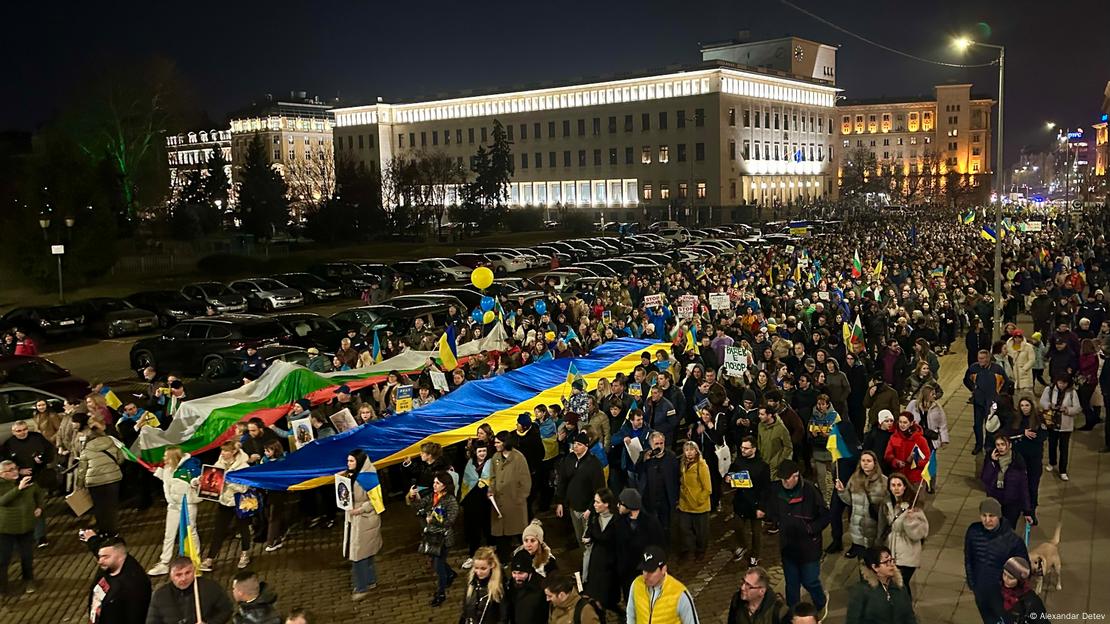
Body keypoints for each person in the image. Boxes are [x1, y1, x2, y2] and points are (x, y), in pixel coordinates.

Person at [762, 459, 829, 614]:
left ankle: (820, 602)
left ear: (796, 476)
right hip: (788, 546)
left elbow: (825, 516)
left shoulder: (810, 491)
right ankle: (794, 614)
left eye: (786, 479)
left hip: (809, 547)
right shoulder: (777, 490)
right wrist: (771, 518)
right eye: (782, 479)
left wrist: (811, 528)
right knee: (791, 584)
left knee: (810, 581)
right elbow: (772, 510)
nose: (784, 482)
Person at [964, 497, 1028, 623]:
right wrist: (973, 584)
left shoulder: (1013, 541)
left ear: (999, 516)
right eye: (984, 515)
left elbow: (1024, 572)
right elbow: (968, 558)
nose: (987, 520)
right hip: (981, 591)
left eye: (991, 516)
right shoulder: (973, 531)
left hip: (1002, 596)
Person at [407, 470, 459, 607]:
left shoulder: (451, 501)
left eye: (438, 483)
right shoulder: (432, 496)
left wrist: (433, 520)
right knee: (438, 561)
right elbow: (418, 506)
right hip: (432, 536)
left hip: (443, 538)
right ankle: (451, 574)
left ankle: (440, 593)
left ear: (445, 485)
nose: (434, 485)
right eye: (434, 482)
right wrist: (413, 497)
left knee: (438, 565)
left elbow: (450, 521)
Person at [147, 446, 201, 576]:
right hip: (173, 506)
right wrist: (157, 472)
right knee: (169, 534)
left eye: (166, 456)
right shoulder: (167, 469)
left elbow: (194, 480)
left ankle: (194, 561)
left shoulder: (189, 468)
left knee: (190, 532)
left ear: (173, 457)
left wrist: (196, 482)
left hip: (187, 504)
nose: (164, 458)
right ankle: (164, 563)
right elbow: (168, 481)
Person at [0, 420, 55, 545]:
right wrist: (19, 470)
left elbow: (49, 451)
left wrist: (42, 460)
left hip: (38, 477)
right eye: (19, 431)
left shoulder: (37, 437)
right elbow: (4, 463)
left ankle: (41, 536)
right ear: (13, 432)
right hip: (19, 481)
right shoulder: (8, 444)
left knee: (38, 505)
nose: (23, 433)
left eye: (25, 429)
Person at [201, 441, 253, 572]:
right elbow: (211, 479)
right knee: (218, 530)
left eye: (226, 451)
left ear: (234, 452)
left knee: (243, 529)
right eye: (222, 451)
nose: (223, 453)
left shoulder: (243, 466)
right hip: (224, 502)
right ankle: (210, 558)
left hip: (239, 502)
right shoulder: (218, 464)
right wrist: (199, 482)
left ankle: (245, 553)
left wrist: (227, 481)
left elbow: (243, 488)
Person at [342, 450, 383, 601]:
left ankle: (361, 587)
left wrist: (360, 509)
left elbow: (376, 501)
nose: (348, 464)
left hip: (365, 520)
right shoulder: (352, 474)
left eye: (352, 461)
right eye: (348, 461)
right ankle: (370, 581)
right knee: (366, 554)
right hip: (357, 519)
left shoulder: (368, 478)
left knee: (358, 556)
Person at [880, 473, 928, 598]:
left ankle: (907, 612)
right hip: (892, 552)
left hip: (908, 554)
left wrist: (910, 521)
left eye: (899, 485)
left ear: (905, 487)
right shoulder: (887, 504)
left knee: (900, 584)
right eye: (893, 485)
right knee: (897, 585)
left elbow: (920, 534)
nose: (896, 488)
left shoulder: (914, 507)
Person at [145, 556, 234, 624]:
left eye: (188, 573)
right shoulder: (160, 596)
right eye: (178, 575)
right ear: (171, 576)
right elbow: (152, 622)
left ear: (194, 571)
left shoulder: (210, 587)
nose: (184, 578)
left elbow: (226, 610)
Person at [554, 431, 605, 548]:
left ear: (586, 446)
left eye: (579, 444)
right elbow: (562, 481)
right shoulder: (569, 459)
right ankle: (584, 561)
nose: (575, 446)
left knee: (588, 540)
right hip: (573, 507)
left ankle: (589, 564)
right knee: (579, 537)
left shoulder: (594, 464)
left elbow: (599, 489)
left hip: (587, 509)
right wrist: (560, 502)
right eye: (575, 443)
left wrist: (591, 508)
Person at [75, 415, 124, 535]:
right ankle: (113, 530)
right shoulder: (111, 442)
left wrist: (79, 485)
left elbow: (82, 469)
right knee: (111, 506)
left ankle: (103, 530)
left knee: (99, 507)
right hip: (113, 478)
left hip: (95, 481)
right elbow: (121, 459)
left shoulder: (86, 449)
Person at [87, 535, 152, 624]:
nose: (100, 561)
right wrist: (92, 539)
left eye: (105, 557)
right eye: (100, 556)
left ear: (120, 557)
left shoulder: (134, 584)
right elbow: (103, 548)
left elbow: (136, 617)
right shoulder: (108, 566)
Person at [834, 450, 887, 559]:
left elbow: (887, 507)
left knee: (874, 560)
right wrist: (841, 491)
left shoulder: (883, 481)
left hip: (874, 529)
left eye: (868, 461)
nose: (865, 463)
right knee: (862, 562)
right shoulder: (854, 478)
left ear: (875, 463)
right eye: (863, 460)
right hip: (858, 529)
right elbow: (850, 502)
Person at [625, 545, 699, 624]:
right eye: (644, 570)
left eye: (651, 571)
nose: (646, 575)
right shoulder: (636, 584)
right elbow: (631, 615)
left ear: (663, 569)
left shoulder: (680, 594)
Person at [0, 460, 43, 595]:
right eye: (10, 470)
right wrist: (18, 489)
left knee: (27, 556)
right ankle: (2, 586)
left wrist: (40, 507)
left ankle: (28, 580)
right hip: (6, 528)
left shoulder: (29, 482)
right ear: (1, 474)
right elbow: (2, 501)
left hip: (26, 526)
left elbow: (39, 494)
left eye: (15, 468)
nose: (14, 472)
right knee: (3, 559)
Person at [582, 487, 627, 617]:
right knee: (596, 595)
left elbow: (620, 542)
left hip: (611, 563)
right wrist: (587, 539)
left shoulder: (617, 520)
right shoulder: (594, 518)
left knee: (608, 594)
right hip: (596, 560)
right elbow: (589, 532)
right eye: (594, 501)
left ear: (606, 504)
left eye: (597, 502)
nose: (594, 505)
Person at [844, 546, 916, 624]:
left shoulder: (899, 586)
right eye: (886, 562)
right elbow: (853, 620)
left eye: (891, 560)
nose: (891, 565)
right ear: (875, 567)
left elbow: (909, 616)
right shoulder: (862, 591)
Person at [490, 431, 532, 560]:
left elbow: (526, 482)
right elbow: (492, 477)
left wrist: (519, 498)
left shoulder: (519, 458)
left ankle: (527, 557)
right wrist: (491, 490)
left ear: (505, 443)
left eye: (498, 442)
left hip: (514, 503)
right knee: (501, 535)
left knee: (519, 533)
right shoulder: (495, 458)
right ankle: (504, 560)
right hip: (498, 503)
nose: (495, 444)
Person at [730, 436, 771, 567]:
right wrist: (728, 477)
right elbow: (731, 472)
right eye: (742, 447)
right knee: (738, 527)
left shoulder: (763, 466)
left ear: (754, 449)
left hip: (755, 504)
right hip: (741, 502)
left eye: (746, 448)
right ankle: (742, 545)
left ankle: (755, 555)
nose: (743, 450)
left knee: (756, 533)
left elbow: (766, 489)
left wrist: (762, 507)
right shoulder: (738, 461)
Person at [980, 434, 1033, 531]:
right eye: (998, 445)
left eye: (1003, 444)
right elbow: (985, 479)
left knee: (1008, 530)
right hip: (995, 501)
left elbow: (1024, 488)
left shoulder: (1017, 461)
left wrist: (1027, 511)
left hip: (1012, 504)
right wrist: (992, 462)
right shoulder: (991, 459)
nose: (1000, 447)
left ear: (1009, 445)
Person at [964, 349, 1008, 455]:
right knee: (977, 425)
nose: (981, 361)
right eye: (979, 358)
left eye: (983, 358)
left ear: (988, 358)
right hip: (978, 402)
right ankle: (978, 444)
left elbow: (1005, 383)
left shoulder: (997, 369)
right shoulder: (973, 368)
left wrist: (1000, 396)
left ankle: (989, 445)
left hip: (992, 403)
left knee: (990, 425)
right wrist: (973, 389)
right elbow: (966, 380)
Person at [635, 431, 680, 534]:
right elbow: (638, 471)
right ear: (651, 444)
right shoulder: (645, 455)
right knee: (652, 527)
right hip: (649, 499)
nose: (659, 446)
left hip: (666, 500)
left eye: (661, 443)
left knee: (666, 526)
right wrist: (644, 460)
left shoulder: (671, 457)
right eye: (656, 444)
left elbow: (677, 477)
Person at [1039, 375, 1080, 481]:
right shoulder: (1049, 390)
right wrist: (1049, 405)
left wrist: (1067, 410)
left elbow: (1077, 408)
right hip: (1052, 423)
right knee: (1052, 444)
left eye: (1065, 383)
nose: (1062, 385)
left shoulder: (1072, 393)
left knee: (1064, 448)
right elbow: (1042, 402)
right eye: (1060, 382)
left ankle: (1063, 470)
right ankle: (1052, 462)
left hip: (1065, 425)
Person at [461, 440, 494, 568]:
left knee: (488, 526)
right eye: (480, 451)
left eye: (484, 451)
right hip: (472, 501)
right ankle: (472, 554)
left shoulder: (491, 463)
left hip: (486, 500)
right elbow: (466, 482)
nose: (482, 453)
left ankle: (492, 553)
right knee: (473, 529)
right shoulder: (469, 464)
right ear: (475, 452)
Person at [676, 441, 711, 561]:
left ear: (696, 451)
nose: (689, 453)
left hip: (699, 505)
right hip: (685, 504)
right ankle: (687, 549)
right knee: (684, 528)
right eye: (686, 450)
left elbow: (707, 488)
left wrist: (698, 500)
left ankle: (701, 550)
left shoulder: (701, 465)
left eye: (691, 450)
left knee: (701, 532)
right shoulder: (683, 464)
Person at [459, 546, 506, 624]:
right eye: (476, 568)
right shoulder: (471, 584)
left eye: (483, 568)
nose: (479, 572)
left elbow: (503, 617)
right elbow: (465, 613)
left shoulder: (499, 587)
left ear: (492, 565)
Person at [883, 412, 931, 487]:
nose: (902, 425)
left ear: (911, 423)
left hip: (915, 478)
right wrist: (896, 462)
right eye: (900, 422)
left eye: (905, 422)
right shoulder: (894, 437)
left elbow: (927, 460)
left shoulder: (920, 440)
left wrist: (914, 462)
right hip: (899, 478)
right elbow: (888, 455)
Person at [1000, 556, 1048, 624]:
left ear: (1020, 580)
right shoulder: (998, 590)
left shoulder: (1032, 602)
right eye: (1004, 574)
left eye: (1011, 578)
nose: (1005, 579)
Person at [506, 548, 549, 623]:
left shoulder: (543, 585)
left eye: (521, 573)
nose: (517, 577)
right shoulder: (511, 584)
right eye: (514, 572)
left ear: (529, 572)